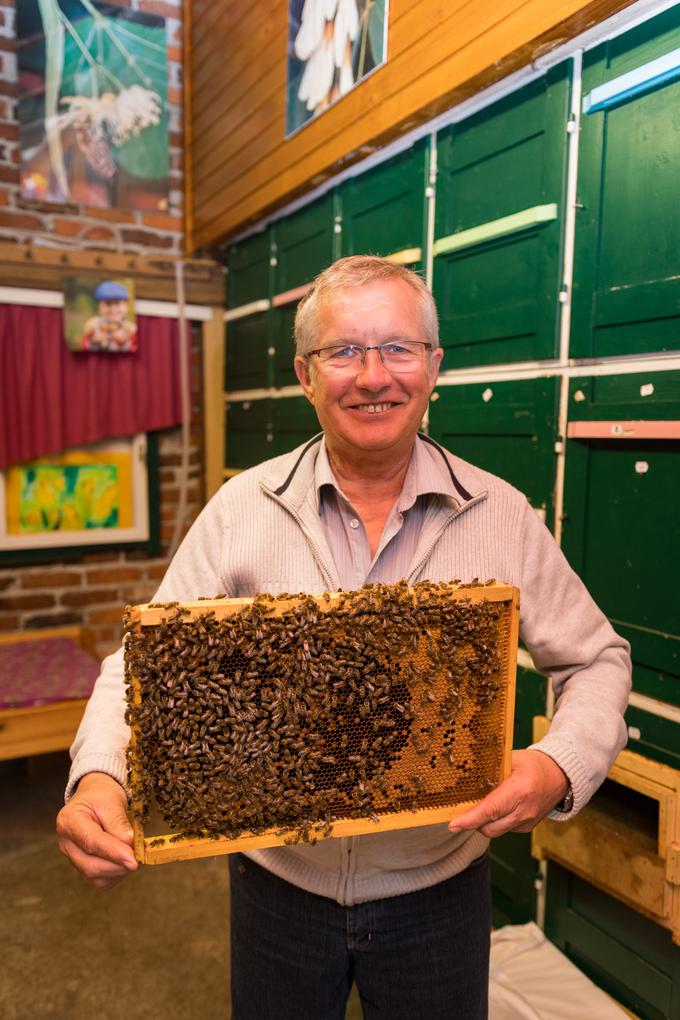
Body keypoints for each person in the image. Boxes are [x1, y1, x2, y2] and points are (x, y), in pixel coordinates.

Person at [57, 255, 631, 1019]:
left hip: (440, 894)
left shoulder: (502, 515)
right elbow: (141, 663)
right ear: (304, 372)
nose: (373, 376)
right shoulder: (240, 510)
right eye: (344, 352)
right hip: (276, 892)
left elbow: (597, 658)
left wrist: (561, 765)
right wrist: (101, 777)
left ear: (434, 366)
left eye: (398, 348)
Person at [82, 279, 138, 352]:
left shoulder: (131, 329)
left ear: (126, 306)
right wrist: (94, 341)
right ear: (99, 307)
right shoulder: (93, 326)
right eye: (108, 304)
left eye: (117, 303)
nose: (113, 309)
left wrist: (123, 342)